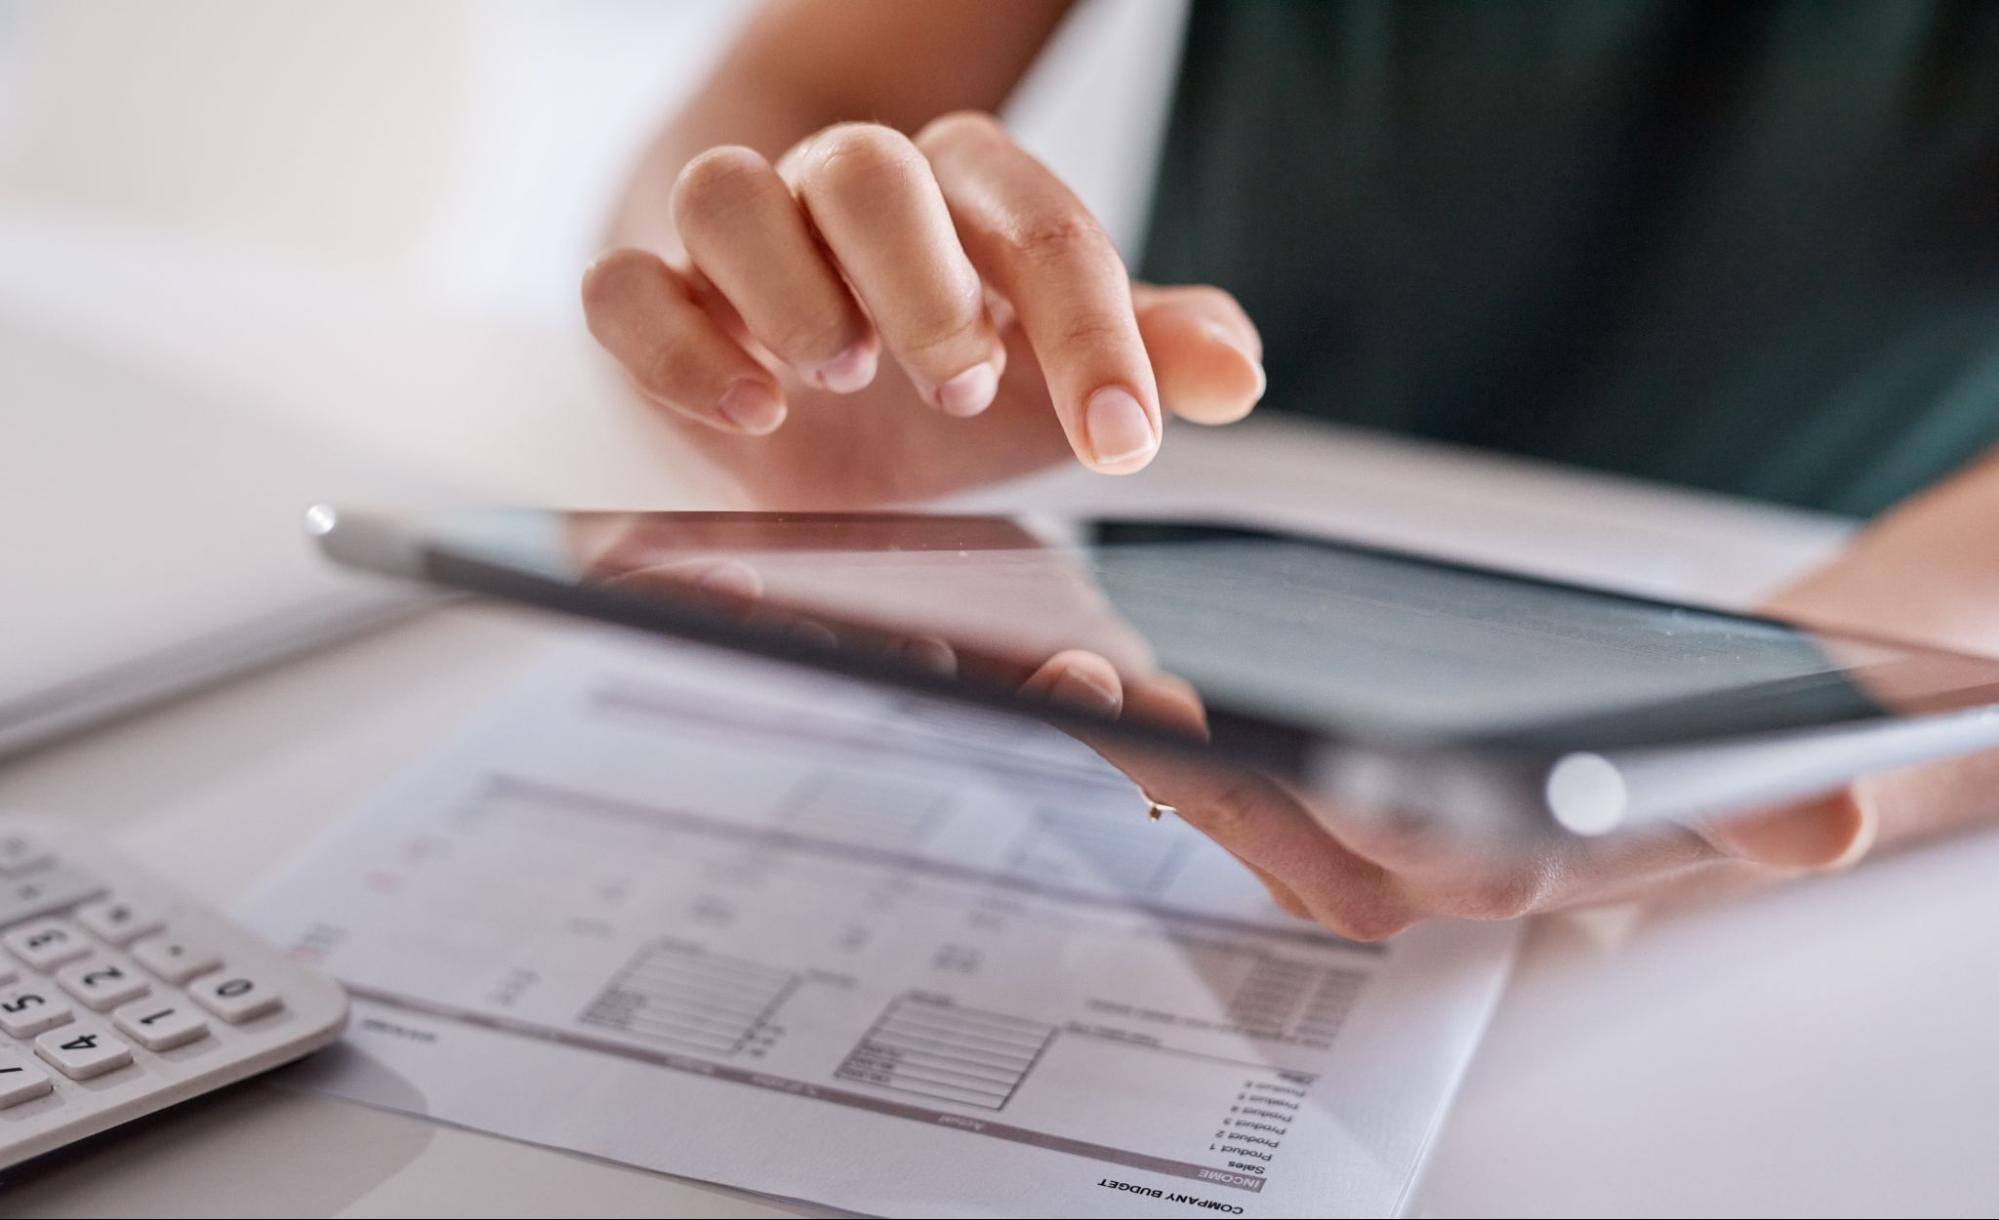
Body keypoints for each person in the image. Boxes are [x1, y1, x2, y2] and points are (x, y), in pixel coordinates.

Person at [580, 0, 1999, 938]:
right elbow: (806, 83)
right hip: (1168, 625)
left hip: (1835, 640)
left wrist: (1825, 698)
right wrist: (788, 289)